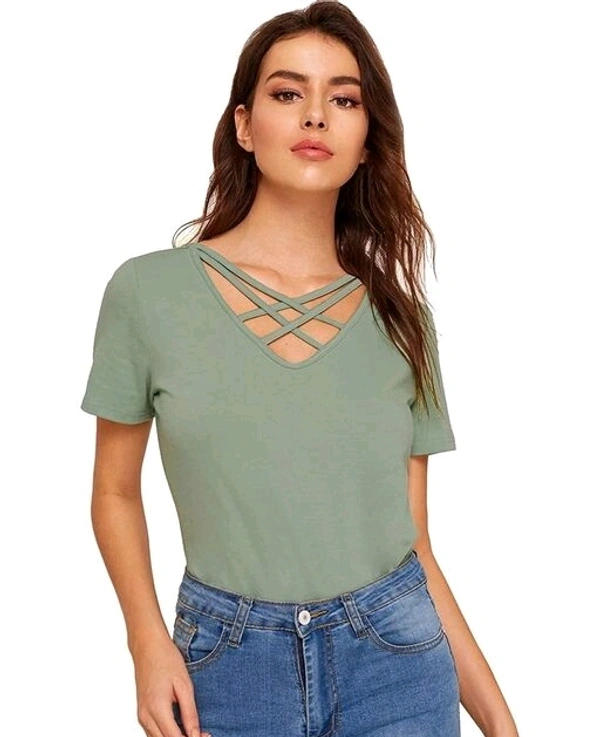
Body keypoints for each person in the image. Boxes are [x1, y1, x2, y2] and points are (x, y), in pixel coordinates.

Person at [80, 2, 519, 736]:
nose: (315, 115)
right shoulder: (148, 293)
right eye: (288, 93)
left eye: (343, 100)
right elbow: (113, 491)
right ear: (245, 126)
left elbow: (415, 544)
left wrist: (501, 724)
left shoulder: (401, 320)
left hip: (396, 660)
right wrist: (146, 644)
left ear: (367, 142)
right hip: (225, 667)